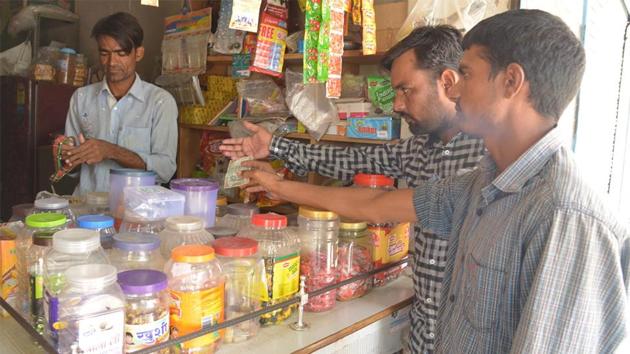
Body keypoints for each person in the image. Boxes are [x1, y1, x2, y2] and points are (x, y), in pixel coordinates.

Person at [241, 9, 629, 353]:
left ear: (511, 81)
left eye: (465, 73)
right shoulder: (484, 182)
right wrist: (278, 183)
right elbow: (375, 203)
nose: (455, 87)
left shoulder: (567, 217)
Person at [220, 26, 485, 353]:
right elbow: (355, 158)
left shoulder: (486, 157)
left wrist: (282, 187)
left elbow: (375, 203)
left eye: (406, 90)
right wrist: (276, 146)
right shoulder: (422, 149)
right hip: (424, 339)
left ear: (447, 82)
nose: (397, 105)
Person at [60, 12, 177, 195]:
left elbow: (165, 169)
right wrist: (65, 159)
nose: (112, 62)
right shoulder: (81, 98)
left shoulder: (160, 102)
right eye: (104, 53)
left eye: (121, 53)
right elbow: (72, 171)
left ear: (138, 53)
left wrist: (110, 151)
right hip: (87, 209)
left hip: (138, 212)